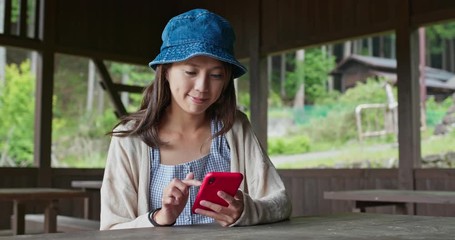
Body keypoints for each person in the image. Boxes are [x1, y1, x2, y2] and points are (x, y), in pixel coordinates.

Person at [100, 8, 292, 230]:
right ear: (166, 71)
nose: (202, 87)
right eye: (191, 72)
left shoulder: (235, 128)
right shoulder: (130, 138)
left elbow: (281, 203)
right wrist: (160, 218)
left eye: (216, 75)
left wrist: (246, 211)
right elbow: (112, 228)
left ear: (227, 79)